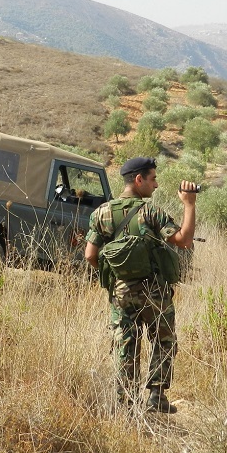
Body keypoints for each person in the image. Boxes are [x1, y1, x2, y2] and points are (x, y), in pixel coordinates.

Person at [84, 156, 198, 413]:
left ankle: (125, 402)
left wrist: (116, 276)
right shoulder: (152, 213)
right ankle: (157, 395)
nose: (156, 185)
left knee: (125, 341)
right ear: (139, 180)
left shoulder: (101, 213)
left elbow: (90, 255)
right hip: (154, 290)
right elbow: (184, 240)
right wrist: (189, 204)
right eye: (153, 178)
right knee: (163, 339)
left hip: (121, 291)